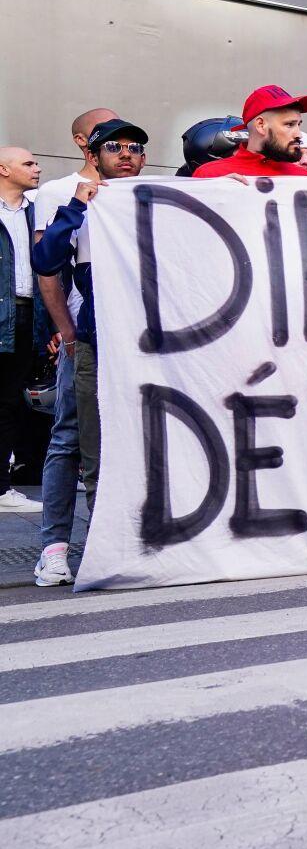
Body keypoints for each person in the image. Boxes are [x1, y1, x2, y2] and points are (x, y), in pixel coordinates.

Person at [31, 119, 150, 586]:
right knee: (85, 446)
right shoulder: (73, 200)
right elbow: (46, 263)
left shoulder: (155, 199)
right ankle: (73, 548)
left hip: (147, 347)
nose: (126, 154)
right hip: (95, 345)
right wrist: (75, 209)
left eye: (136, 147)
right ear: (93, 154)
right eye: (114, 146)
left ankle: (131, 542)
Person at [0, 146, 45, 512]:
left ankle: (2, 486)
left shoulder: (37, 211)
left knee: (10, 401)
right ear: (3, 169)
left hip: (26, 313)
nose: (37, 167)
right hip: (5, 311)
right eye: (28, 163)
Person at [191, 85, 307, 178]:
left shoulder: (305, 179)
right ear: (260, 125)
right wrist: (216, 192)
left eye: (298, 125)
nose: (299, 134)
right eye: (289, 124)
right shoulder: (210, 175)